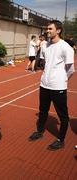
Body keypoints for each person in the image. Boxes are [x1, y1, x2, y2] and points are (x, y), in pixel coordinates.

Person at [28, 20, 74, 151]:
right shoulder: (45, 46)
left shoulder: (65, 47)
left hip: (58, 87)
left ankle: (61, 140)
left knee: (63, 116)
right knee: (43, 111)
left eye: (50, 29)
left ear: (58, 30)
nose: (47, 31)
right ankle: (39, 132)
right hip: (44, 85)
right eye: (47, 29)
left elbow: (70, 69)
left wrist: (62, 79)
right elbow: (44, 63)